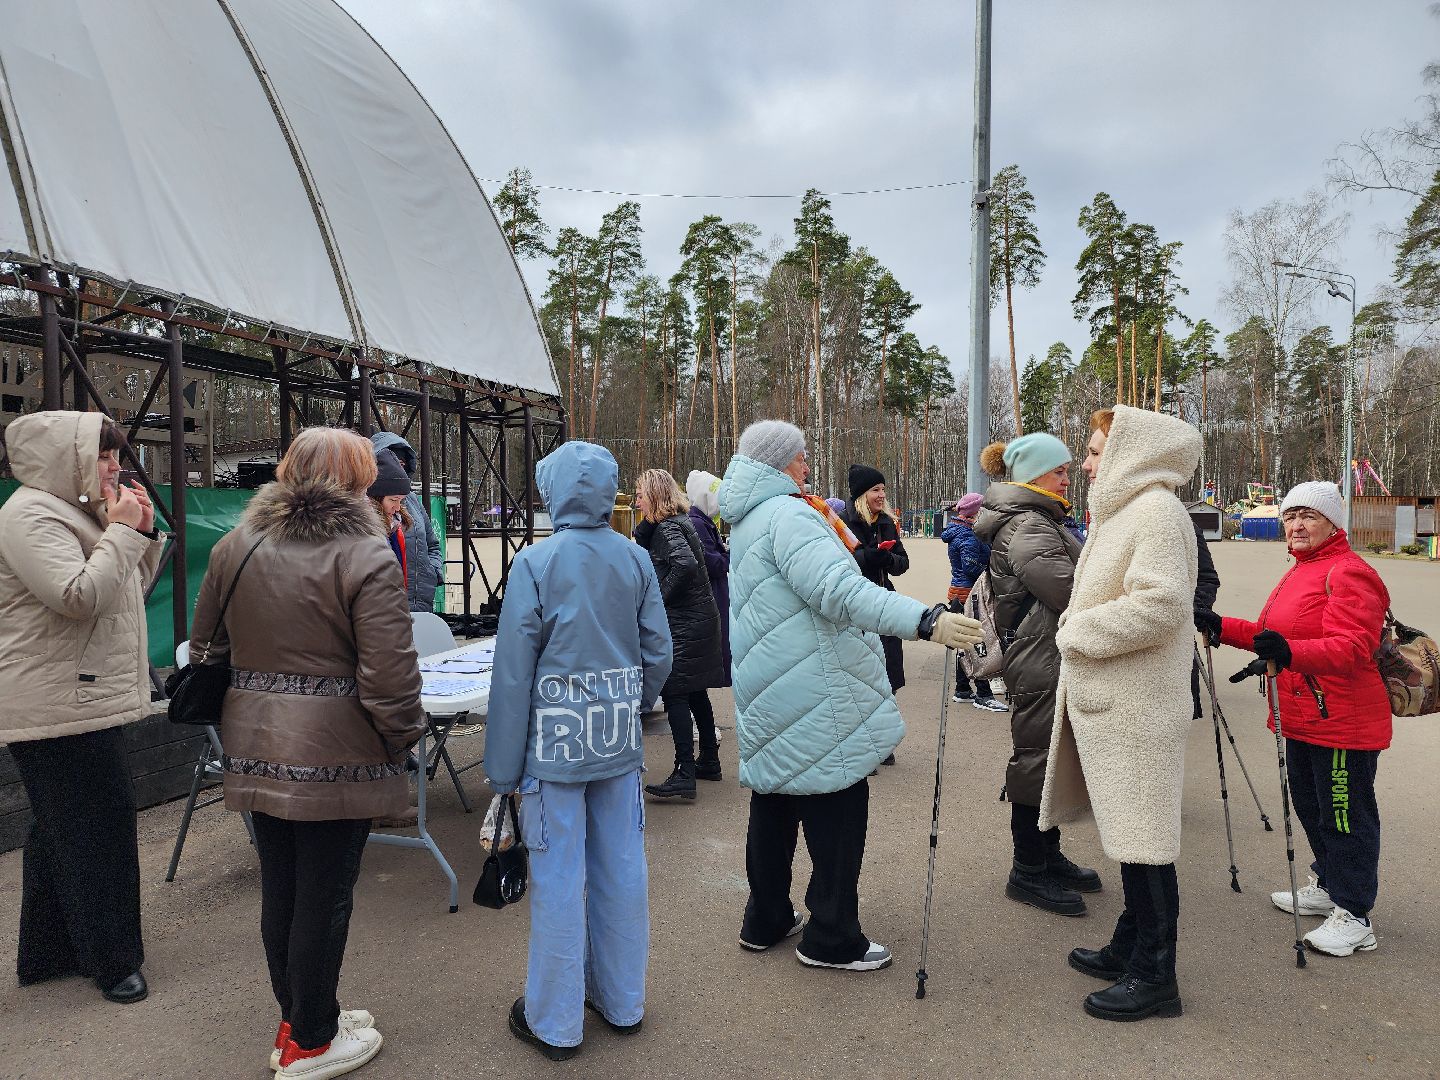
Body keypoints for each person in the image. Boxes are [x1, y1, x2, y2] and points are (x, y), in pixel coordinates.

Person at [190, 426, 426, 1078]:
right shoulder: (365, 553)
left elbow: (205, 649)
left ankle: (300, 1017)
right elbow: (390, 677)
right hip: (338, 753)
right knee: (325, 898)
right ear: (356, 481)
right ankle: (313, 1042)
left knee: (285, 891)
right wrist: (404, 735)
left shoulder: (236, 545)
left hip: (255, 745)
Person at [718, 421, 982, 972]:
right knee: (837, 805)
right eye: (801, 457)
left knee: (775, 798)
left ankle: (764, 919)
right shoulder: (789, 515)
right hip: (815, 686)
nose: (809, 467)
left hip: (772, 684)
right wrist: (924, 620)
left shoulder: (747, 517)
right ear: (777, 463)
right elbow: (840, 592)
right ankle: (832, 937)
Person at [485, 441, 672, 1061]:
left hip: (553, 752)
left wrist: (503, 769)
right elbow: (658, 651)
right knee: (622, 869)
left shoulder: (535, 564)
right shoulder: (636, 557)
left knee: (559, 879)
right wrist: (628, 704)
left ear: (553, 492)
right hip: (616, 744)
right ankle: (623, 1001)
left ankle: (556, 1021)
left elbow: (513, 675)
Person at [1040, 406, 1201, 1023]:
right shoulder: (1128, 512)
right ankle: (1131, 946)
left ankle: (1156, 977)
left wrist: (1076, 630)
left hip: (1137, 708)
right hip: (1120, 705)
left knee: (1146, 844)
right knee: (1135, 840)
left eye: (1097, 451)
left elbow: (1160, 606)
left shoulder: (1156, 511)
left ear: (1131, 454)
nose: (1086, 463)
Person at [0, 411, 165, 1005]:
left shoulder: (77, 510)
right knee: (100, 827)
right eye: (102, 454)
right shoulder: (28, 514)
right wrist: (120, 532)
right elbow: (79, 597)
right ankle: (114, 961)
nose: (115, 466)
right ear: (64, 457)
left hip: (77, 696)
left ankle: (48, 953)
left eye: (116, 454)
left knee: (60, 830)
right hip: (56, 701)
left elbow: (128, 588)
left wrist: (139, 529)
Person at [1196, 480, 1391, 958]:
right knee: (1312, 805)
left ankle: (1355, 913)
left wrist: (1290, 652)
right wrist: (1223, 627)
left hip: (1343, 720)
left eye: (1309, 516)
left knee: (1345, 815)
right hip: (1302, 714)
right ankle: (1328, 885)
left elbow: (1352, 647)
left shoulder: (1349, 573)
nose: (1297, 525)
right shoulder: (1302, 569)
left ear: (1332, 523)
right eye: (1290, 516)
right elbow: (1273, 635)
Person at [973, 432, 1100, 916]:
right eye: (1060, 471)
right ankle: (1027, 869)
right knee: (1035, 758)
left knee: (1048, 756)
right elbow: (1070, 592)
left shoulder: (1037, 519)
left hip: (1045, 651)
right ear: (1033, 476)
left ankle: (1047, 855)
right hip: (1040, 655)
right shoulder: (1029, 525)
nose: (1069, 478)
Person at [633, 468, 726, 801]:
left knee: (674, 693)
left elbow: (684, 566)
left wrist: (659, 598)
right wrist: (645, 525)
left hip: (686, 623)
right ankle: (709, 761)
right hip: (699, 619)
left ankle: (684, 772)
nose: (637, 500)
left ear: (655, 495)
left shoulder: (669, 528)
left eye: (641, 494)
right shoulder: (673, 523)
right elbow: (644, 540)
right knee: (696, 691)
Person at [940, 493, 1007, 713]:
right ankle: (983, 693)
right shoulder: (968, 535)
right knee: (979, 639)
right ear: (975, 512)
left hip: (959, 591)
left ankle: (962, 688)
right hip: (970, 592)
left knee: (965, 639)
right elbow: (970, 566)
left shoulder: (960, 531)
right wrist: (992, 572)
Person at [370, 432, 445, 612]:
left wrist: (432, 572)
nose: (398, 468)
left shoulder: (412, 500)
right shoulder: (363, 508)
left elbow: (432, 545)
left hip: (421, 601)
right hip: (385, 606)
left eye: (402, 464)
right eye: (393, 462)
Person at [685, 469, 731, 682]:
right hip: (712, 594)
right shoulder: (698, 524)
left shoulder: (703, 522)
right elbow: (714, 564)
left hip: (715, 592)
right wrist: (730, 554)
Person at [369, 447, 412, 580]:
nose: (398, 507)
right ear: (376, 497)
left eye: (401, 500)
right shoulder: (364, 530)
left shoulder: (395, 524)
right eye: (393, 500)